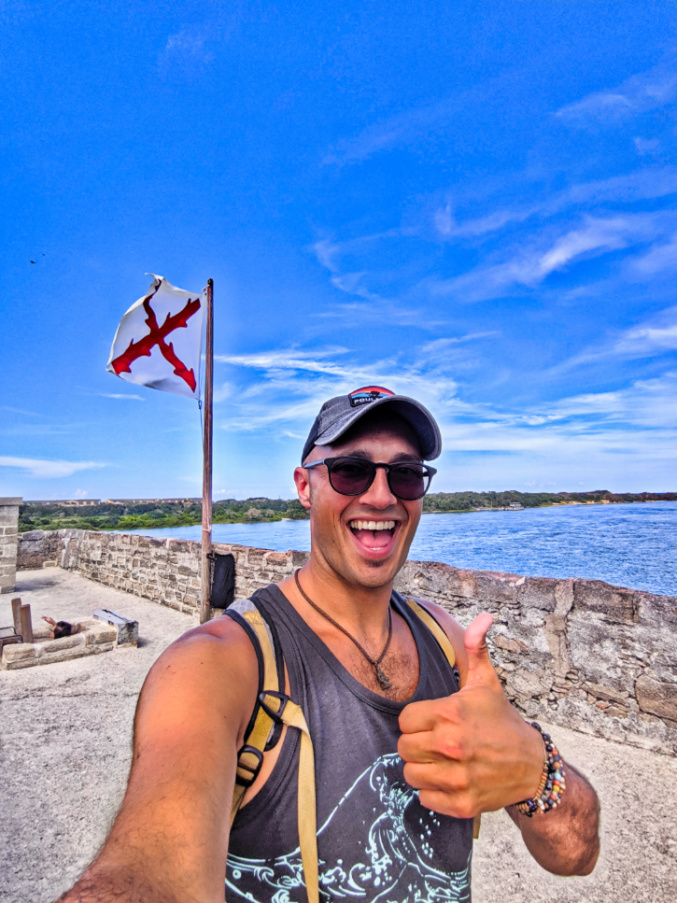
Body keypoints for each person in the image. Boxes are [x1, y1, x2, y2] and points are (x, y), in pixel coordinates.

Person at [57, 386, 600, 903]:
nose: (382, 495)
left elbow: (576, 856)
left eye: (406, 475)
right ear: (304, 485)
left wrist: (535, 766)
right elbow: (146, 871)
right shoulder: (220, 662)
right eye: (351, 471)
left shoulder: (448, 641)